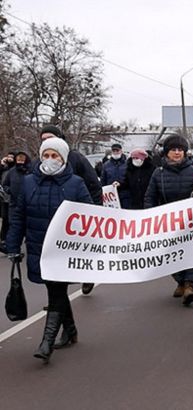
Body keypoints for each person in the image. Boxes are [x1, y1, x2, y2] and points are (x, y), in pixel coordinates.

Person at [6, 137, 93, 363]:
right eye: (46, 155)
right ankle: (71, 331)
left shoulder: (75, 183)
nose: (50, 160)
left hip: (65, 250)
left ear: (63, 158)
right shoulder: (27, 183)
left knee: (56, 292)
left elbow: (89, 215)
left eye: (55, 156)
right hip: (39, 248)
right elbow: (18, 217)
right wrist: (13, 245)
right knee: (56, 291)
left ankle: (46, 343)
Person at [39, 125, 102, 295]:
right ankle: (57, 302)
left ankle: (87, 276)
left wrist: (95, 213)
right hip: (50, 217)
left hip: (76, 217)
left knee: (79, 251)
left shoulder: (77, 159)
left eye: (50, 137)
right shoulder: (40, 163)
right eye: (43, 140)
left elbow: (94, 186)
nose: (47, 142)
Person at [144, 135, 193, 305]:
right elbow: (150, 196)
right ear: (166, 153)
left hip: (190, 221)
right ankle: (180, 282)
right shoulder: (158, 173)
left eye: (180, 150)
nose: (177, 153)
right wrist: (149, 215)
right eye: (173, 150)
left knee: (191, 254)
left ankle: (190, 285)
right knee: (170, 255)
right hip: (167, 223)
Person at [101, 143, 129, 208]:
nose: (115, 152)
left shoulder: (127, 164)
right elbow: (103, 181)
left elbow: (130, 179)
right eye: (114, 151)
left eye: (117, 151)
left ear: (121, 151)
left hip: (125, 196)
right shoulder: (106, 165)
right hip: (111, 197)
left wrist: (121, 184)